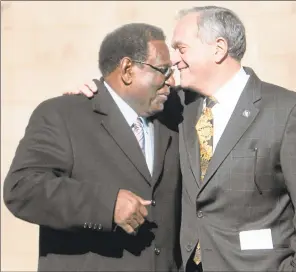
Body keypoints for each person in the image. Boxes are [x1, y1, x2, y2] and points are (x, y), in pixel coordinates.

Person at [69, 6, 296, 272]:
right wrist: (94, 95)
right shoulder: (177, 107)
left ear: (218, 49)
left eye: (182, 48)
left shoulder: (286, 112)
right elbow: (126, 101)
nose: (174, 60)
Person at [3, 23, 183, 271]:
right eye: (163, 70)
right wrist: (107, 206)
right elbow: (22, 190)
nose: (171, 80)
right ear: (127, 69)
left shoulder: (173, 115)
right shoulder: (63, 115)